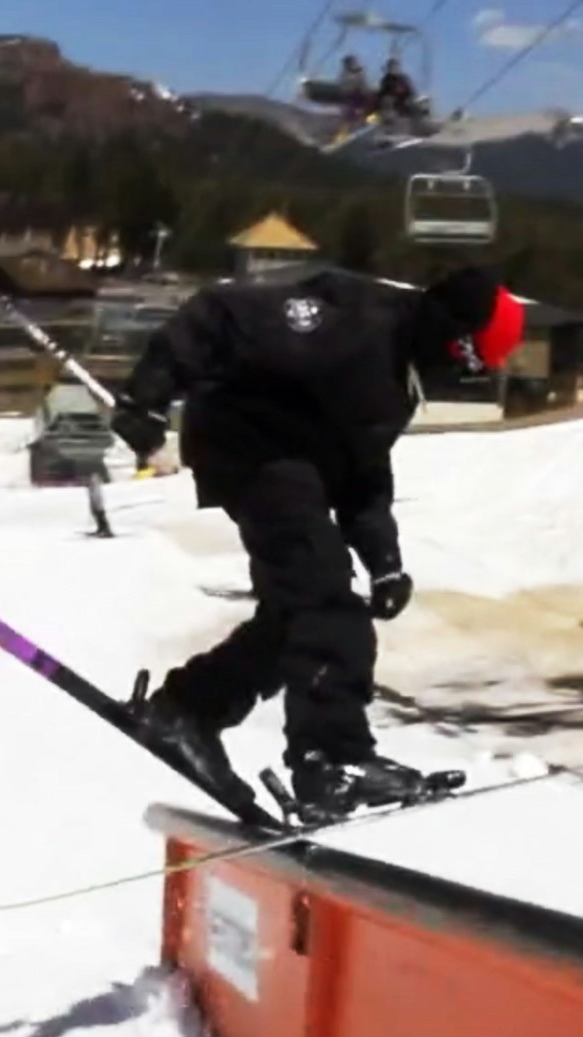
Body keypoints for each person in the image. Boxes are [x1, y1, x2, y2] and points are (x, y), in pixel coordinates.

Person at [106, 266, 525, 820]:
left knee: (298, 618)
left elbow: (363, 470)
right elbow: (218, 314)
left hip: (292, 458)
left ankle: (188, 710)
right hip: (248, 443)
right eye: (473, 359)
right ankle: (331, 759)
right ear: (453, 335)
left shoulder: (401, 375)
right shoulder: (355, 325)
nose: (466, 373)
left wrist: (384, 562)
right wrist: (147, 397)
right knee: (326, 602)